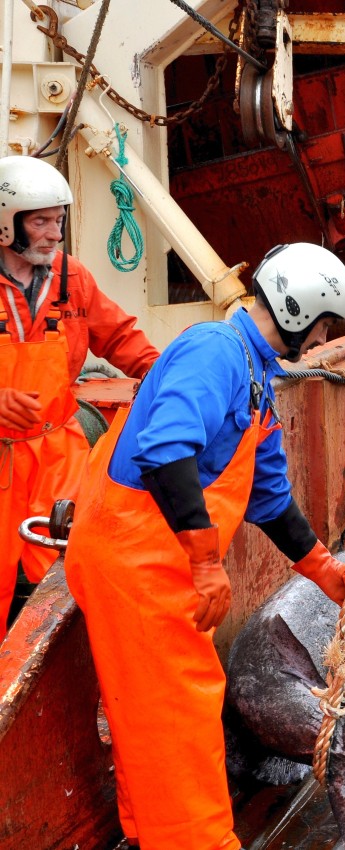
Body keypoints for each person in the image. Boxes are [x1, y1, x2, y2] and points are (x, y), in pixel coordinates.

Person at [63, 242, 345, 850]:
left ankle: (151, 833)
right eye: (325, 323)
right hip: (136, 562)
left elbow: (271, 497)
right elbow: (165, 449)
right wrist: (205, 562)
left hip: (158, 562)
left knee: (152, 716)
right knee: (180, 716)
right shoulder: (215, 353)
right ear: (301, 312)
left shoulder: (257, 378)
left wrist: (324, 570)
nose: (323, 334)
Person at [0, 155, 159, 640]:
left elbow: (124, 340)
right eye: (40, 221)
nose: (54, 233)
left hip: (60, 452)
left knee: (71, 577)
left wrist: (172, 381)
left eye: (59, 220)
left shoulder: (74, 279)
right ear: (7, 224)